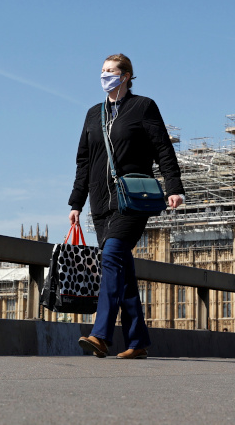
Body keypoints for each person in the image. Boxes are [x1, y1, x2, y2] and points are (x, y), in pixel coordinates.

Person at [68, 53, 184, 359]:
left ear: (126, 76)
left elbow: (163, 149)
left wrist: (174, 188)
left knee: (111, 256)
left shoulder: (143, 106)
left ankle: (100, 334)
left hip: (132, 200)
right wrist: (76, 202)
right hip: (100, 203)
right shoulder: (94, 114)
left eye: (111, 71)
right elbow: (84, 161)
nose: (105, 76)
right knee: (122, 268)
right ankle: (137, 341)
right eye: (102, 71)